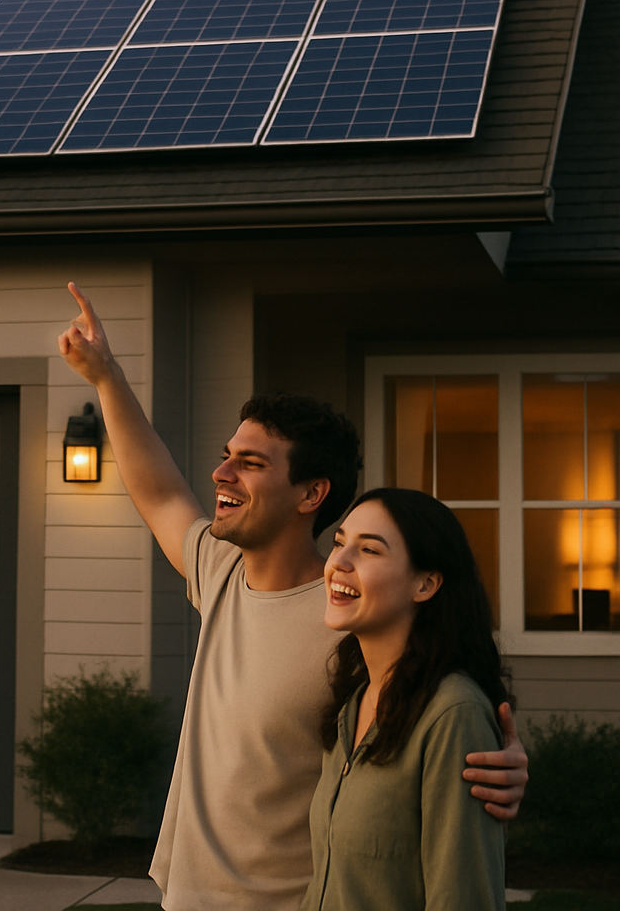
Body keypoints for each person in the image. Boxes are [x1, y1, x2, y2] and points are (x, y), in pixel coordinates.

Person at [58, 282, 527, 911]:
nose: (221, 473)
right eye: (227, 456)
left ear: (311, 494)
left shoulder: (353, 618)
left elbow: (442, 701)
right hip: (185, 897)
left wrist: (507, 764)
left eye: (251, 463)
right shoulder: (220, 570)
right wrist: (107, 377)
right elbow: (161, 492)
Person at [302, 488, 510, 911]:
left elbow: (463, 897)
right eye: (339, 543)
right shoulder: (352, 705)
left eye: (369, 550)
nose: (338, 562)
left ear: (426, 583)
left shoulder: (453, 715)